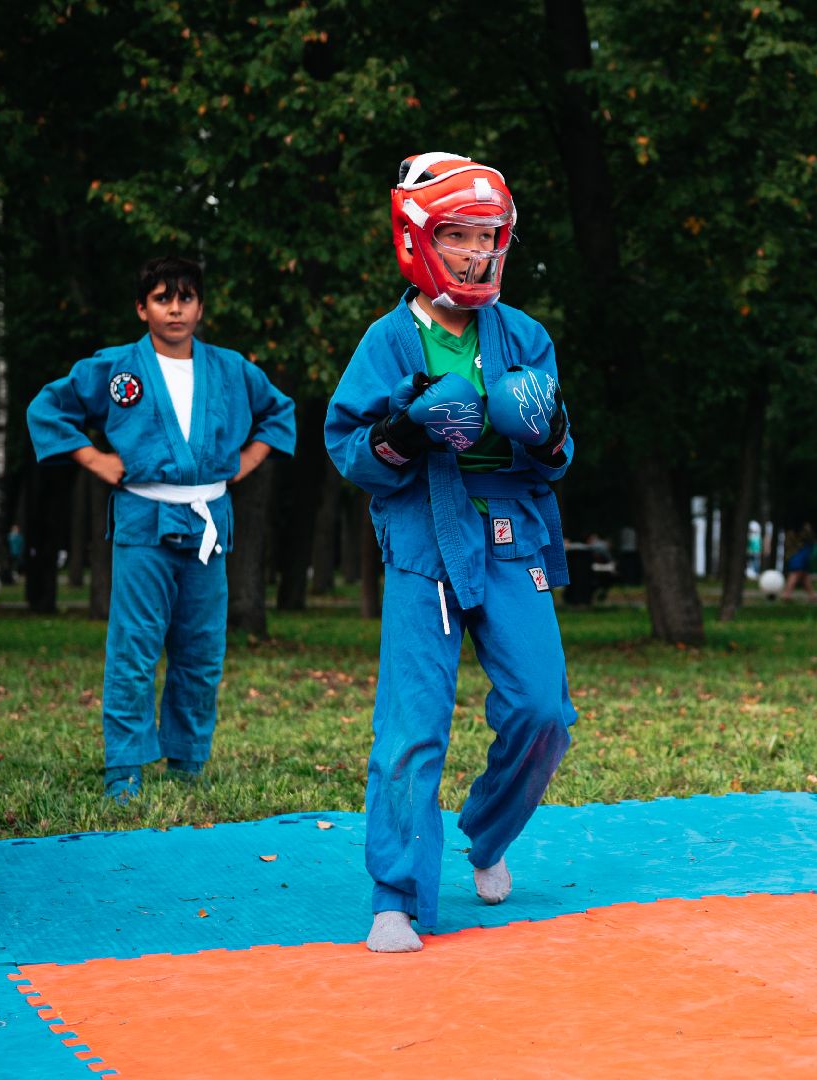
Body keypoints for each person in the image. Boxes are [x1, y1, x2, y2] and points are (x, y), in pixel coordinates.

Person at [325, 153, 576, 954]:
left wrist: (551, 430)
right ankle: (395, 896)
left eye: (486, 238)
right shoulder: (388, 340)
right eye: (459, 236)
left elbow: (557, 458)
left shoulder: (525, 334)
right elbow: (346, 444)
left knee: (543, 710)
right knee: (414, 724)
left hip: (512, 534)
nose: (474, 253)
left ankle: (488, 832)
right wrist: (403, 433)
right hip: (424, 537)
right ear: (418, 238)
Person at [27, 256, 296, 803]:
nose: (175, 308)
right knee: (135, 647)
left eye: (186, 297)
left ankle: (188, 762)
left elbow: (278, 412)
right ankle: (123, 768)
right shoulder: (116, 366)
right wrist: (93, 458)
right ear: (141, 307)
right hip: (144, 520)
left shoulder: (229, 369)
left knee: (201, 649)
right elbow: (47, 407)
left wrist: (247, 462)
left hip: (208, 525)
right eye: (161, 298)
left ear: (201, 306)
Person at [779, 519, 817, 599]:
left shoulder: (791, 531)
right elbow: (811, 538)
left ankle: (812, 595)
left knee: (804, 575)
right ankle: (786, 594)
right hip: (799, 554)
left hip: (796, 554)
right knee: (796, 574)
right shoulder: (802, 531)